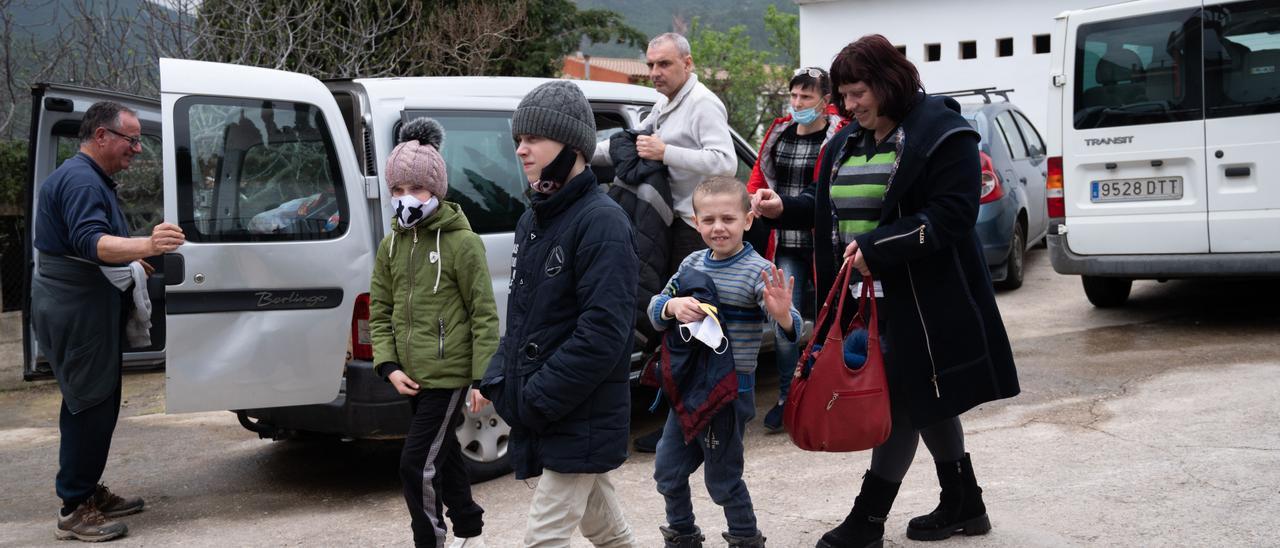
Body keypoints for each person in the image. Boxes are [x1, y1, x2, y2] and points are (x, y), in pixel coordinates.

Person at [752, 35, 1020, 547]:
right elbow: (829, 202)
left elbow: (953, 215)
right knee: (930, 398)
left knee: (901, 400)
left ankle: (868, 520)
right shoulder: (847, 141)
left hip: (926, 300)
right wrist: (783, 207)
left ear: (888, 82)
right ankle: (965, 503)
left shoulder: (944, 134)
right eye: (843, 98)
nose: (847, 108)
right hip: (864, 302)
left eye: (856, 94)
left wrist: (879, 247)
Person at [481, 80, 640, 547]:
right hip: (554, 410)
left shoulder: (603, 222)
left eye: (533, 140)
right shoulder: (535, 219)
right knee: (606, 530)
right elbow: (525, 317)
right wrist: (498, 378)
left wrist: (536, 398)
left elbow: (605, 333)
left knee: (542, 538)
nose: (522, 151)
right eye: (518, 141)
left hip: (579, 411)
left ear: (571, 145)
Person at [31, 101, 185, 542]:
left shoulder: (88, 177)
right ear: (101, 136)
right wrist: (148, 245)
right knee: (88, 404)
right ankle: (73, 508)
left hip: (83, 303)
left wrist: (134, 261)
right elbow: (92, 243)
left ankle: (85, 491)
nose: (137, 149)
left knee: (97, 401)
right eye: (131, 139)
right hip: (76, 308)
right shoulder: (81, 180)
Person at [592, 31, 737, 454]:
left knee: (689, 326)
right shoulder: (662, 103)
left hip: (695, 228)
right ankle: (679, 421)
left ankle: (694, 422)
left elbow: (725, 162)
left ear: (687, 64)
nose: (655, 72)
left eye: (665, 64)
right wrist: (582, 151)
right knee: (666, 325)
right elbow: (639, 143)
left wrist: (666, 152)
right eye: (651, 64)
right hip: (664, 225)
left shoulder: (703, 103)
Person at [647, 176, 801, 548]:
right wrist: (671, 306)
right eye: (709, 219)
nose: (719, 228)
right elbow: (653, 310)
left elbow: (792, 329)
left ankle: (746, 538)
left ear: (748, 220)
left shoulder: (757, 271)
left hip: (728, 392)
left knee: (723, 478)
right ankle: (682, 534)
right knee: (667, 471)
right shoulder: (689, 265)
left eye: (728, 219)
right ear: (696, 222)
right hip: (686, 389)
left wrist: (782, 315)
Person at [369, 117, 496, 548]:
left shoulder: (464, 243)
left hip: (449, 373)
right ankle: (471, 531)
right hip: (410, 374)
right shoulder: (391, 245)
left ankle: (431, 540)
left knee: (414, 465)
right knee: (443, 457)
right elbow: (381, 308)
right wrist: (387, 364)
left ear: (436, 190)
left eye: (416, 189)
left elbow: (483, 312)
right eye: (398, 190)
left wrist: (483, 376)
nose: (406, 199)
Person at [745, 66, 846, 433]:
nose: (798, 103)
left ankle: (826, 394)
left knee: (828, 321)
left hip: (824, 248)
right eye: (794, 96)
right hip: (785, 243)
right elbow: (759, 176)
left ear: (826, 100)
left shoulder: (838, 136)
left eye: (806, 96)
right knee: (786, 319)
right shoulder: (780, 133)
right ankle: (789, 397)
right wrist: (754, 200)